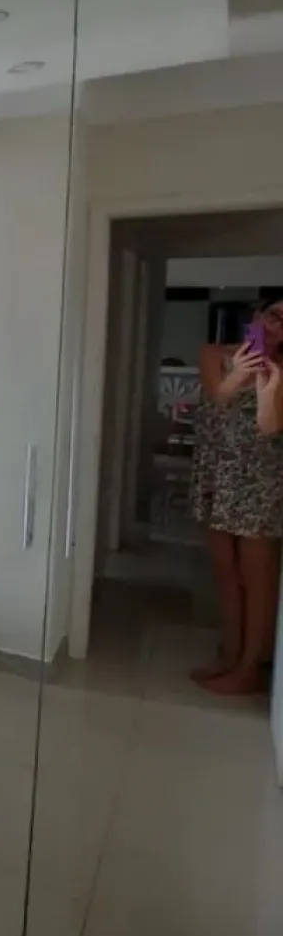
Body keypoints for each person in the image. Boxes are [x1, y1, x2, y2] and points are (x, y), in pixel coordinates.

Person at [189, 296, 283, 694]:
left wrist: (265, 382)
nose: (278, 326)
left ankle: (250, 668)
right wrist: (240, 372)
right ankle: (230, 656)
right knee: (226, 572)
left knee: (256, 577)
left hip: (260, 481)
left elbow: (269, 426)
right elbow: (217, 397)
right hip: (216, 474)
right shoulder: (214, 354)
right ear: (257, 315)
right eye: (274, 315)